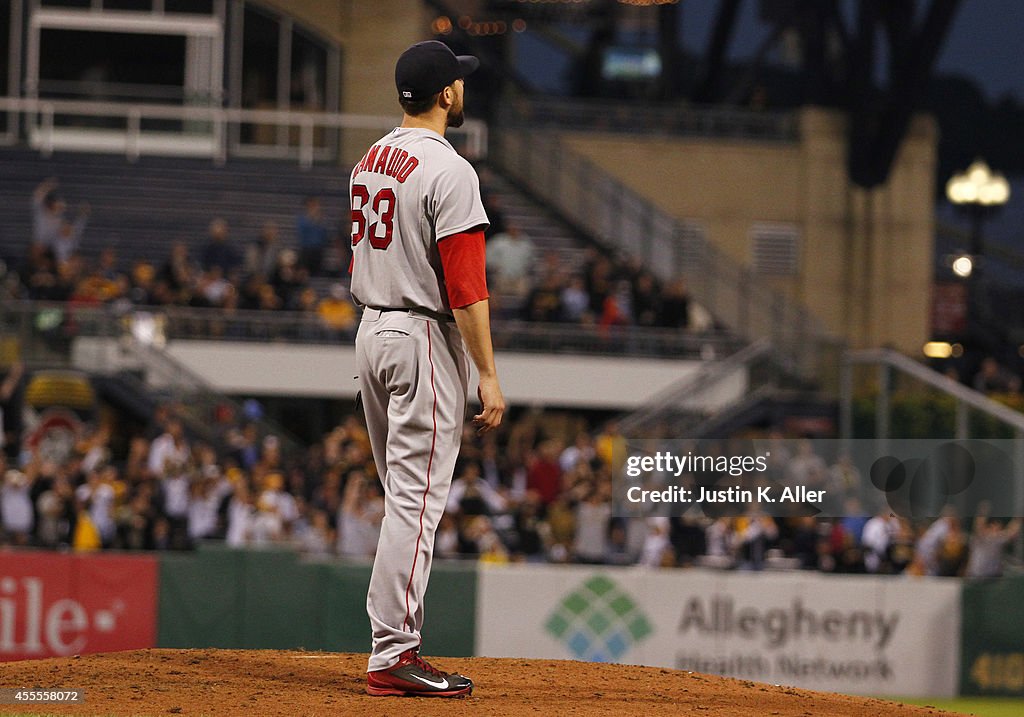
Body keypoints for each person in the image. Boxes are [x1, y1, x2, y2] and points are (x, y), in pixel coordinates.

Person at [350, 40, 504, 698]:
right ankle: (394, 653)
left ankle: (392, 642)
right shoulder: (450, 169)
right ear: (446, 94)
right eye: (458, 83)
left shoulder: (369, 158)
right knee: (414, 504)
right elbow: (467, 287)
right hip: (420, 335)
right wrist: (488, 374)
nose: (462, 90)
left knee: (401, 502)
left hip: (371, 329)